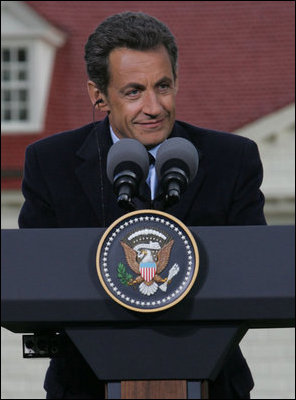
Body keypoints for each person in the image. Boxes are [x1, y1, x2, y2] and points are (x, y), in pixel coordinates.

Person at [19, 11, 266, 399]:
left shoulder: (232, 159)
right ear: (98, 95)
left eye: (163, 87)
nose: (153, 106)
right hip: (83, 387)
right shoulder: (51, 163)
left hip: (211, 383)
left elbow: (257, 274)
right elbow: (35, 277)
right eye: (133, 91)